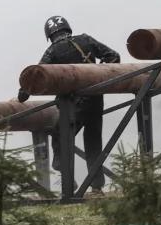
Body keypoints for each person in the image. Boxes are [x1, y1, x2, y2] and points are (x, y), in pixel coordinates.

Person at [17, 16, 120, 197]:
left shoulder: (53, 51)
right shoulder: (85, 39)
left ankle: (67, 183)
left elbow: (37, 75)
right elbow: (114, 56)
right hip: (96, 100)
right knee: (93, 142)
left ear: (50, 34)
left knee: (60, 138)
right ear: (68, 28)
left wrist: (24, 92)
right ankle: (96, 188)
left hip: (74, 104)